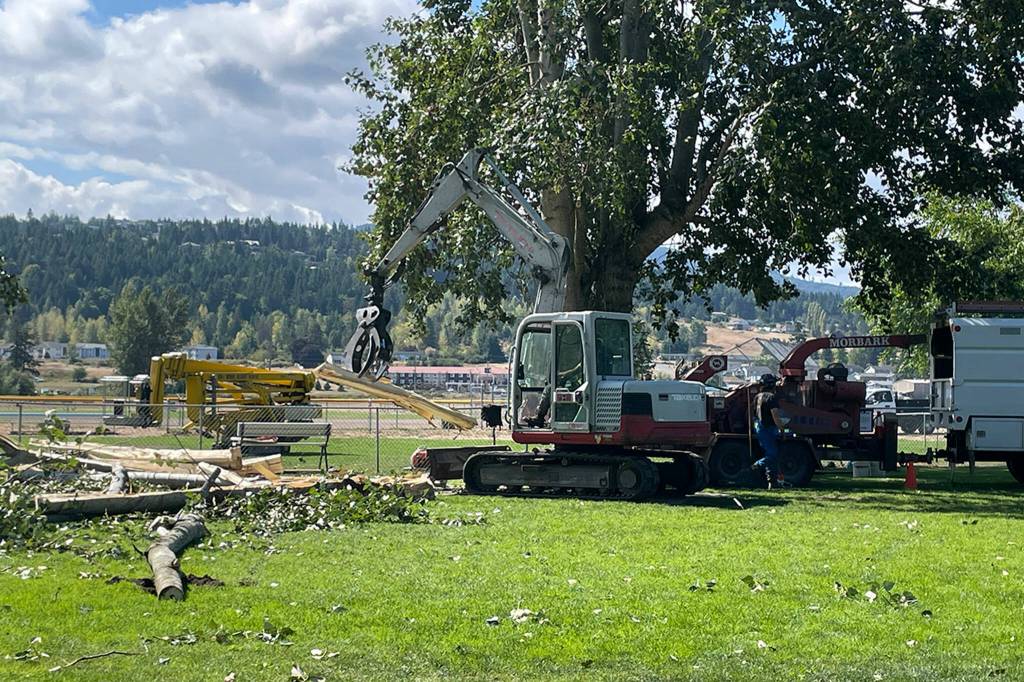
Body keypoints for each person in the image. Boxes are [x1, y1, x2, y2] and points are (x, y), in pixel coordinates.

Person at [751, 373, 788, 488]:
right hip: (768, 429)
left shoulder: (757, 397)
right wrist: (782, 429)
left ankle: (771, 482)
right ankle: (756, 465)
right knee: (772, 454)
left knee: (770, 455)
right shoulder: (771, 397)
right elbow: (775, 416)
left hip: (759, 427)